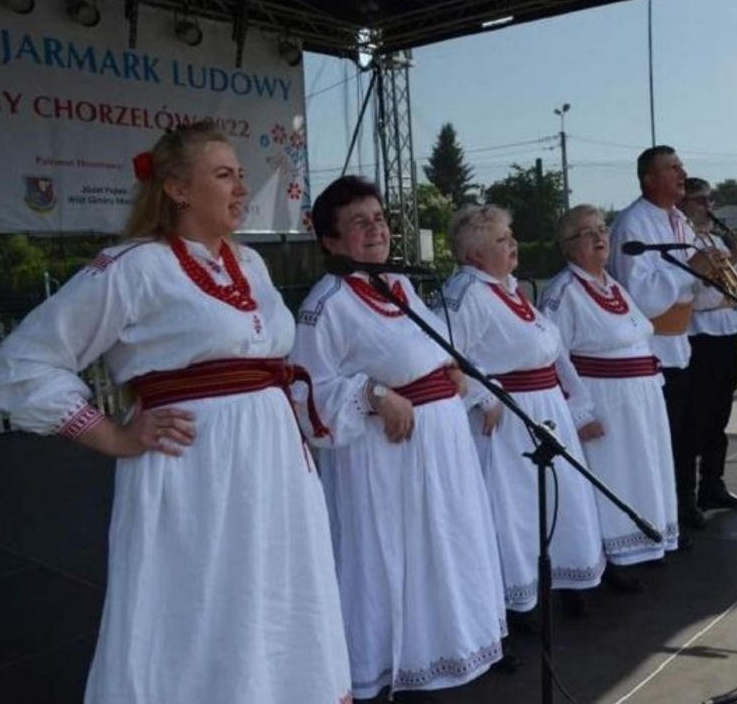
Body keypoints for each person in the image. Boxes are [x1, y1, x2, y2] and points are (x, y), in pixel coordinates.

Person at [0, 121, 351, 703]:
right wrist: (110, 435)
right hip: (196, 471)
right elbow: (23, 364)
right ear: (178, 189)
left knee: (275, 594)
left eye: (241, 174)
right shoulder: (133, 266)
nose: (240, 187)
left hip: (274, 467)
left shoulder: (251, 265)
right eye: (224, 174)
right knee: (199, 603)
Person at [290, 177, 509, 702]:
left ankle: (440, 649)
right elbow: (308, 394)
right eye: (359, 223)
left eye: (380, 218)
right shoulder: (328, 303)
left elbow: (419, 344)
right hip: (385, 459)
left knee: (440, 550)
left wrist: (449, 368)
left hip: (439, 447)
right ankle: (387, 666)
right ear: (331, 241)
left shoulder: (397, 285)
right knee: (391, 559)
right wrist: (373, 395)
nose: (376, 229)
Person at [442, 204, 605, 620]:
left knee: (560, 497)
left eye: (510, 235)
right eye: (501, 239)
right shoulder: (465, 294)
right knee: (514, 509)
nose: (512, 243)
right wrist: (482, 393)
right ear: (473, 255)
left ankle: (565, 580)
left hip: (547, 408)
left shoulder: (510, 289)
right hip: (509, 419)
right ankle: (518, 600)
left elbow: (552, 349)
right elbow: (444, 356)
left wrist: (577, 405)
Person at [539, 205, 680, 583]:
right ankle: (617, 554)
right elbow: (552, 357)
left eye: (602, 229)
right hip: (605, 403)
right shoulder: (563, 292)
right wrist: (579, 414)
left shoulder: (614, 285)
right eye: (588, 232)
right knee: (613, 478)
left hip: (640, 401)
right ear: (569, 246)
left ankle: (646, 540)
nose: (601, 237)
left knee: (643, 473)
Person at [608, 146, 719, 539]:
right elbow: (641, 296)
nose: (682, 173)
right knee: (663, 437)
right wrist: (692, 270)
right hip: (653, 350)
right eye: (672, 168)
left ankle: (683, 503)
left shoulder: (681, 222)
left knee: (688, 433)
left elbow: (695, 286)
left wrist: (721, 270)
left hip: (683, 343)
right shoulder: (632, 225)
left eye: (681, 166)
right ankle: (659, 513)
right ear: (648, 180)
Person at [680, 178, 737, 513]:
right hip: (700, 333)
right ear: (683, 204)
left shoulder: (714, 240)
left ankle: (714, 482)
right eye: (700, 200)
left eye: (710, 200)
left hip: (727, 331)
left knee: (721, 414)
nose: (708, 206)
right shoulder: (683, 242)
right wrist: (716, 271)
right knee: (699, 415)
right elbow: (691, 294)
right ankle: (688, 493)